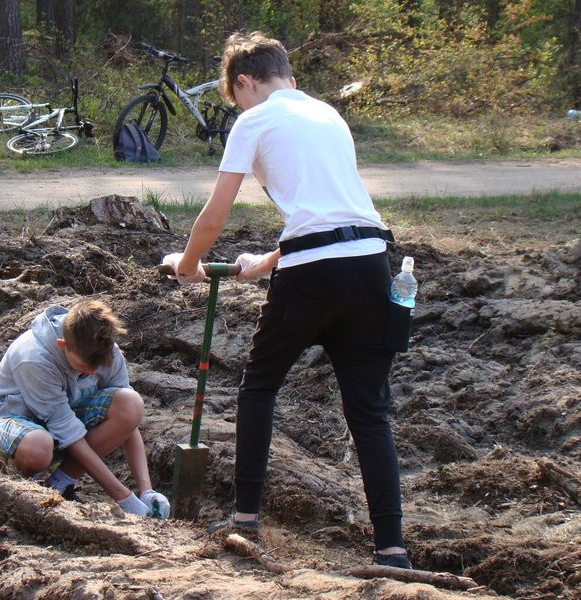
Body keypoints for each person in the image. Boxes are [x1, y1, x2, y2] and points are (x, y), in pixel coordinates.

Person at [162, 31, 411, 567]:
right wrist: (267, 261)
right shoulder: (327, 115)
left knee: (260, 386)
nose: (240, 107)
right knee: (370, 413)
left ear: (245, 83)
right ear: (290, 80)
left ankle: (245, 519)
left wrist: (186, 266)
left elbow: (215, 213)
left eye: (238, 98)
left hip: (313, 276)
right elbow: (330, 213)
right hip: (372, 265)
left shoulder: (254, 119)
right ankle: (391, 548)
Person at [0, 299, 170, 519]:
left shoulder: (106, 351)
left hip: (57, 426)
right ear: (62, 345)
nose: (92, 373)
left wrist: (145, 491)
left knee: (130, 403)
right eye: (84, 367)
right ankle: (16, 485)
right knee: (38, 448)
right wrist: (123, 497)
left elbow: (129, 422)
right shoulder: (33, 357)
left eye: (98, 366)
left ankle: (59, 484)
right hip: (2, 423)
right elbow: (68, 432)